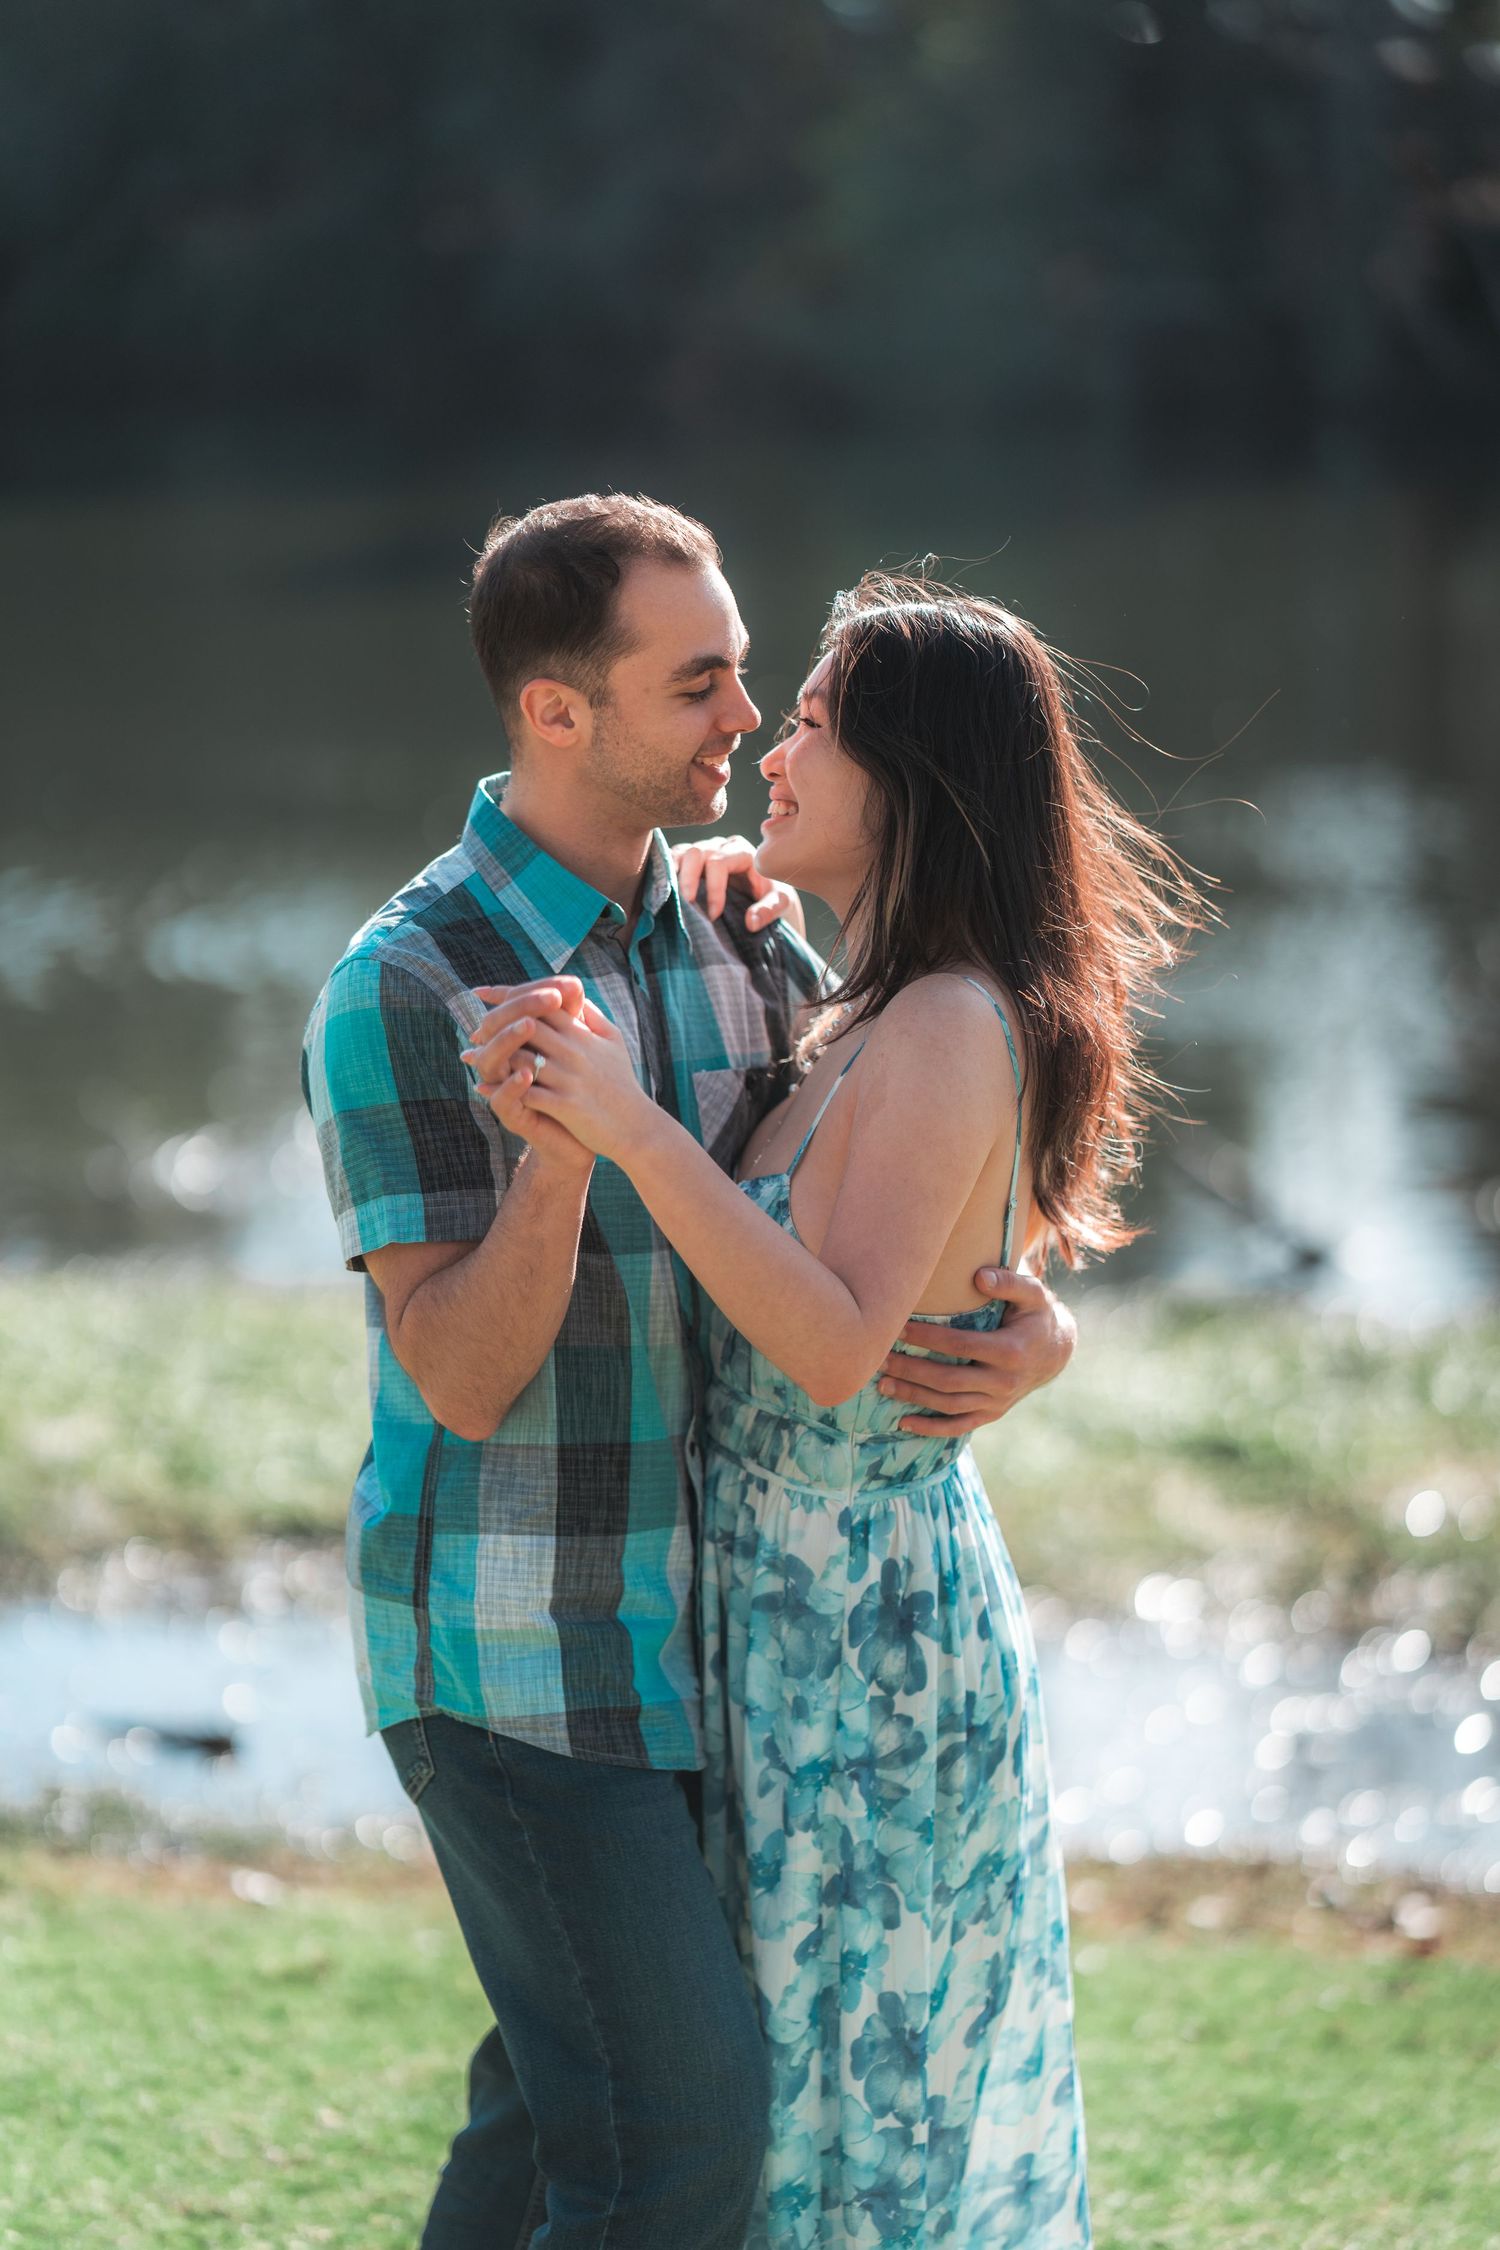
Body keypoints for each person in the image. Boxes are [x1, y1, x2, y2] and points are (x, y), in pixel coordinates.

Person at [300, 496, 1078, 2250]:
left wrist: (1033, 1323)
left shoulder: (749, 937)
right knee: (680, 2127)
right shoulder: (404, 984)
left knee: (552, 2106)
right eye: (700, 682)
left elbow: (896, 1192)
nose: (745, 716)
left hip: (731, 1649)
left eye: (751, 677)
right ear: (556, 710)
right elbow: (460, 1381)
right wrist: (561, 1162)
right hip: (522, 1648)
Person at [471, 572, 1204, 2246]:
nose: (769, 751)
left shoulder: (946, 1023)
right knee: (771, 2123)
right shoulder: (866, 1004)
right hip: (783, 1625)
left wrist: (633, 1124)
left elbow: (833, 1342)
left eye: (809, 722)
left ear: (913, 778)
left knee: (861, 2148)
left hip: (870, 1652)